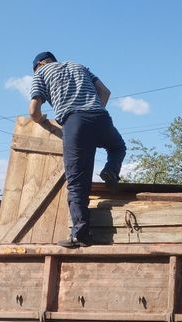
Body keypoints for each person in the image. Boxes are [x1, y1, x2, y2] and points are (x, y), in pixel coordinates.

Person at [29, 51, 126, 248]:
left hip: (75, 123)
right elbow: (105, 92)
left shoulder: (41, 73)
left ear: (39, 64)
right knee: (117, 147)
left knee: (77, 183)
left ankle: (81, 235)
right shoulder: (79, 66)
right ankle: (110, 170)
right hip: (100, 117)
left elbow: (33, 110)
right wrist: (94, 109)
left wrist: (41, 120)